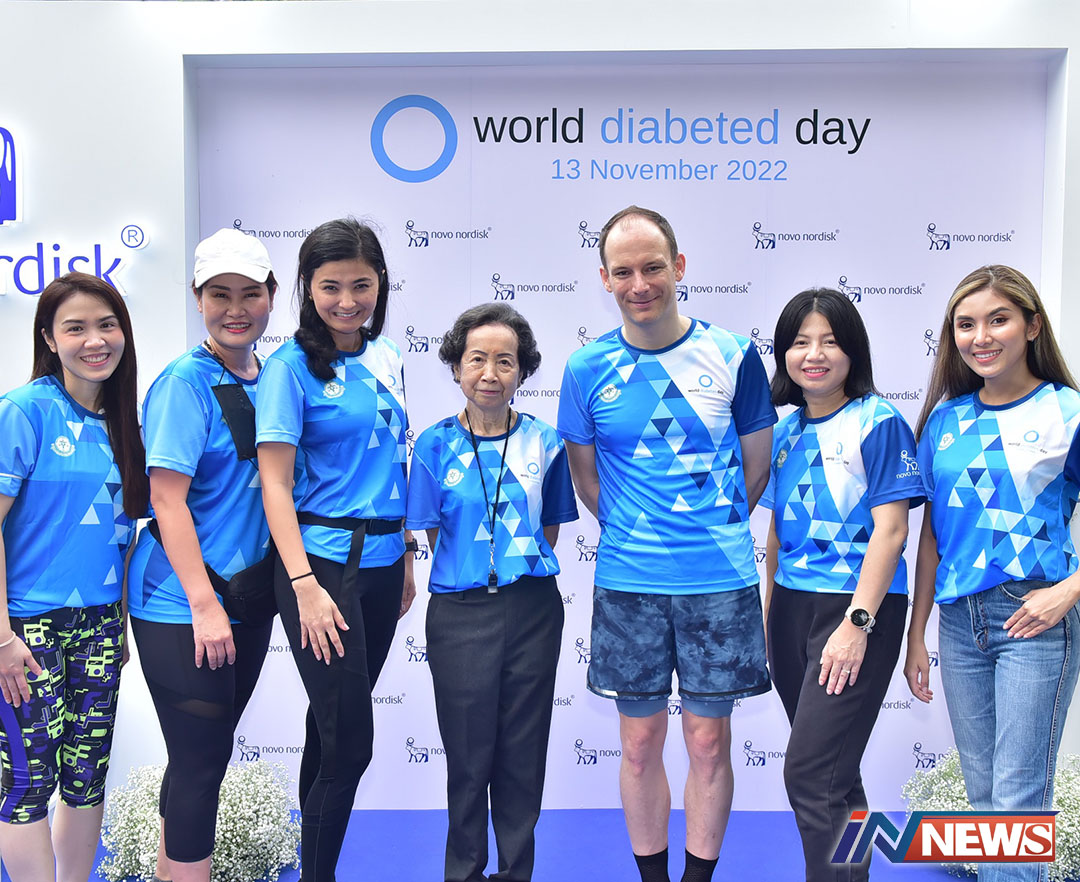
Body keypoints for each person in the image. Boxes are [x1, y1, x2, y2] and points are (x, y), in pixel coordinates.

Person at [558, 206, 774, 882]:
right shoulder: (584, 368)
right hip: (629, 584)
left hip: (720, 581)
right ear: (604, 279)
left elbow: (756, 469)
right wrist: (637, 532)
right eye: (622, 272)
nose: (639, 284)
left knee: (708, 743)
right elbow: (586, 481)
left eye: (653, 267)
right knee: (639, 742)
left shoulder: (734, 354)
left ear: (678, 267)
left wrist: (707, 529)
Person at [905, 265, 1080, 882]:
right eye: (966, 324)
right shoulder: (944, 421)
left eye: (998, 319)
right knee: (982, 799)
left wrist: (1068, 591)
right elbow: (931, 536)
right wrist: (916, 634)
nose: (981, 337)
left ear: (1032, 326)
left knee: (1017, 801)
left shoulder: (1068, 411)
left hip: (1035, 618)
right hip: (959, 625)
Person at [256, 218, 415, 882]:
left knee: (329, 731)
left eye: (361, 285)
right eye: (330, 287)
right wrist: (303, 585)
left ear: (380, 283)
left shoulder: (388, 354)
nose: (348, 301)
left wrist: (405, 557)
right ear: (307, 287)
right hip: (321, 570)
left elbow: (392, 464)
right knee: (350, 746)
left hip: (382, 565)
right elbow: (274, 482)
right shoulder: (288, 368)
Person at [407, 304, 578, 882]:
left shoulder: (546, 442)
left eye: (505, 361)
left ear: (522, 371)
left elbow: (549, 527)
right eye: (476, 359)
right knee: (467, 754)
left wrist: (512, 566)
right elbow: (434, 533)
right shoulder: (433, 445)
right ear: (456, 366)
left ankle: (516, 872)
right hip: (459, 614)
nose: (490, 373)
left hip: (533, 609)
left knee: (523, 753)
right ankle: (464, 871)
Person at [127, 228, 278, 882]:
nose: (235, 308)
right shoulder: (185, 383)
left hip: (248, 598)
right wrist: (204, 605)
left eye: (250, 293)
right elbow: (166, 501)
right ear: (197, 297)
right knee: (200, 762)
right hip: (180, 601)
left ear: (272, 296)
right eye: (220, 294)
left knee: (203, 757)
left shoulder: (274, 378)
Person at [761, 289, 923, 882]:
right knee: (834, 773)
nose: (814, 354)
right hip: (791, 608)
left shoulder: (878, 422)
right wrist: (770, 611)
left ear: (853, 351)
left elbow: (892, 531)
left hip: (857, 610)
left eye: (829, 341)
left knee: (810, 774)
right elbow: (776, 530)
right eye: (800, 342)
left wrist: (857, 625)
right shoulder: (783, 431)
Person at [0, 273, 148, 882]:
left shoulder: (125, 423)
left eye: (107, 325)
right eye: (76, 328)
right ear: (48, 338)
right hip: (27, 629)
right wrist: (2, 638)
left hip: (101, 625)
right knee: (27, 782)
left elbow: (124, 535)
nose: (95, 340)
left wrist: (120, 621)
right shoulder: (23, 411)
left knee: (87, 778)